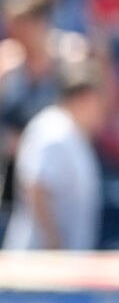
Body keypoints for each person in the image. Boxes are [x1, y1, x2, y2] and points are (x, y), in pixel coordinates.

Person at [2, 58, 106, 250]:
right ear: (85, 97)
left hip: (61, 263)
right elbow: (35, 186)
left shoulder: (73, 133)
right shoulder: (53, 129)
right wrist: (53, 243)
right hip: (38, 264)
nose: (102, 110)